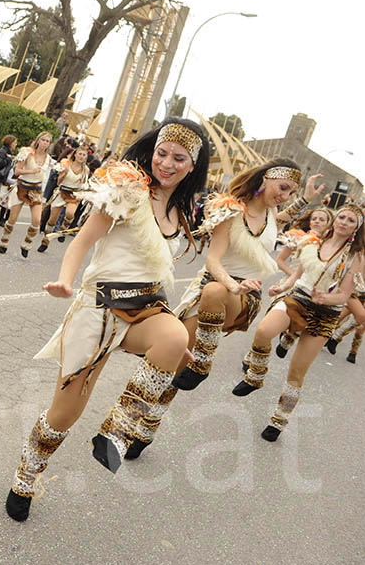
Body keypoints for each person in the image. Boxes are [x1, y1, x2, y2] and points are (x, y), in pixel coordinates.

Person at [5, 119, 209, 522]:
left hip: (144, 308)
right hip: (98, 307)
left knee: (173, 336)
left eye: (178, 158)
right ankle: (25, 477)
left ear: (192, 167)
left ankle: (117, 431)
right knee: (64, 413)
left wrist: (168, 343)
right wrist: (65, 281)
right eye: (162, 153)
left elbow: (154, 269)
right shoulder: (126, 189)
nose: (166, 163)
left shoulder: (180, 209)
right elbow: (81, 243)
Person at [125, 161, 319, 459]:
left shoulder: (271, 216)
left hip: (239, 299)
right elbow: (213, 260)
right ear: (266, 179)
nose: (285, 196)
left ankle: (203, 362)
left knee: (216, 294)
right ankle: (142, 429)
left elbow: (285, 215)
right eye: (283, 188)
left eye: (291, 192)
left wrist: (305, 197)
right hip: (211, 289)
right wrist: (230, 282)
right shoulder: (232, 211)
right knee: (170, 369)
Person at [233, 205, 365, 442]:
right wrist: (281, 287)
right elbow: (296, 275)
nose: (344, 222)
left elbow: (344, 296)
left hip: (326, 314)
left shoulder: (356, 258)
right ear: (335, 220)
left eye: (351, 220)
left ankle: (278, 420)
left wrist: (327, 298)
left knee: (296, 373)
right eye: (342, 216)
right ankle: (256, 375)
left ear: (357, 228)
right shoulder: (313, 241)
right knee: (264, 331)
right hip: (299, 298)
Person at [273, 207, 333, 357]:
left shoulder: (331, 245)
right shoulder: (297, 237)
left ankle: (289, 337)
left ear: (329, 223)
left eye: (322, 219)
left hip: (311, 289)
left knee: (301, 321)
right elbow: (280, 260)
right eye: (314, 218)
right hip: (289, 283)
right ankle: (254, 356)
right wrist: (293, 274)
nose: (317, 221)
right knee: (273, 318)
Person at [0, 132, 58, 258]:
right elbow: (16, 171)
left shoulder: (49, 159)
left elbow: (58, 169)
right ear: (38, 140)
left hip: (36, 190)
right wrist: (31, 170)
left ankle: (26, 244)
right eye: (43, 140)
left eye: (48, 141)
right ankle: (4, 242)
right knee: (12, 219)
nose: (45, 143)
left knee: (37, 221)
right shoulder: (27, 153)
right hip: (22, 187)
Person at [37, 146, 90, 252]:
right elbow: (58, 182)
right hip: (62, 191)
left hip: (74, 194)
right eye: (80, 154)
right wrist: (64, 174)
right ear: (75, 154)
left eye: (84, 155)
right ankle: (45, 241)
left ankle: (63, 230)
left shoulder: (85, 170)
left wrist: (85, 191)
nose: (81, 156)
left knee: (70, 214)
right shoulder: (66, 164)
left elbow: (84, 184)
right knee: (52, 220)